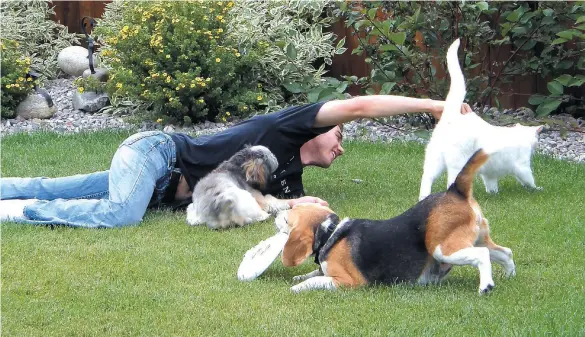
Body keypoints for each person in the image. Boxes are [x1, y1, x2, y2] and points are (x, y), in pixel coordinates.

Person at [0, 96, 472, 228]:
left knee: (64, 184)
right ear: (321, 126)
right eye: (340, 135)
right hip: (157, 153)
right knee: (120, 214)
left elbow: (259, 203)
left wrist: (291, 204)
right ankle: (21, 213)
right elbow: (361, 106)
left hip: (161, 187)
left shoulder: (288, 178)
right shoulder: (290, 125)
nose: (341, 144)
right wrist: (432, 106)